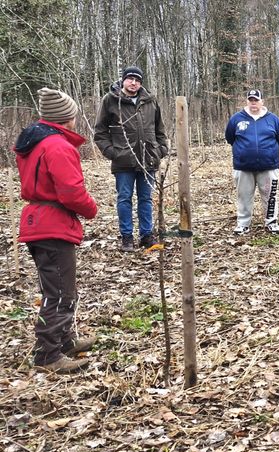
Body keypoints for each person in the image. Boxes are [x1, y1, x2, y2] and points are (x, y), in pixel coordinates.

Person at [16, 88, 99, 373]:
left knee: (60, 287)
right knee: (60, 291)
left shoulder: (34, 142)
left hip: (39, 221)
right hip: (52, 223)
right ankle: (48, 354)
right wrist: (91, 208)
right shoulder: (58, 146)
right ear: (67, 117)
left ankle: (64, 340)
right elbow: (71, 191)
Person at [93, 66, 168, 252]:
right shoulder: (111, 100)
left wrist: (161, 149)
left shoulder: (150, 100)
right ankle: (127, 237)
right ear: (123, 80)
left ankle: (146, 235)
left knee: (146, 198)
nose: (133, 83)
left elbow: (159, 129)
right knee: (124, 198)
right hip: (123, 160)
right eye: (130, 79)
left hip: (148, 159)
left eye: (137, 80)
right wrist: (112, 152)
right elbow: (100, 132)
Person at [225, 89, 279, 235]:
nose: (253, 103)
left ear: (262, 102)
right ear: (247, 101)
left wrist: (267, 152)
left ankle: (271, 222)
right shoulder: (236, 119)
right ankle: (243, 224)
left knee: (270, 196)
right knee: (244, 196)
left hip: (269, 166)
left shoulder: (273, 119)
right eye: (251, 100)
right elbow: (230, 138)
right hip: (243, 166)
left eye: (256, 100)